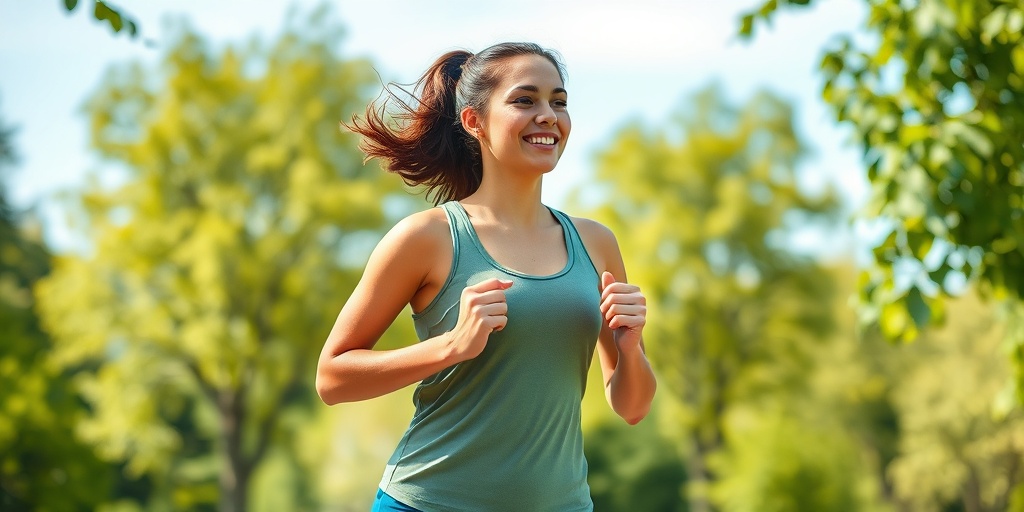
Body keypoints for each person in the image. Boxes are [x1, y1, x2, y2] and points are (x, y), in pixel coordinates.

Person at [315, 42, 657, 512]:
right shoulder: (428, 237)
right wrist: (451, 346)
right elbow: (332, 377)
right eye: (525, 100)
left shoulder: (596, 243)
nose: (548, 116)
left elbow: (633, 407)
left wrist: (630, 347)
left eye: (558, 102)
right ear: (474, 121)